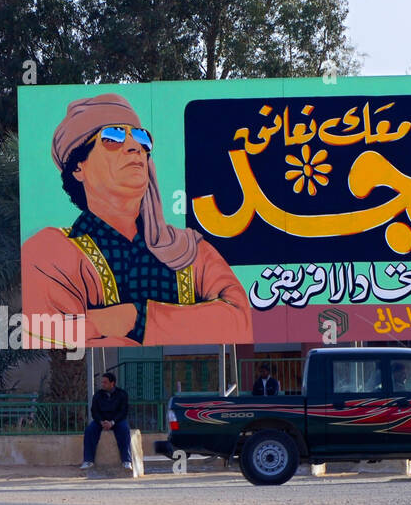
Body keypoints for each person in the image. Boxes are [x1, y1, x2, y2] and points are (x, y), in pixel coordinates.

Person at [21, 92, 253, 347]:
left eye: (141, 138)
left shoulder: (188, 249)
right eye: (113, 136)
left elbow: (239, 321)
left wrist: (133, 318)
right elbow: (51, 335)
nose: (134, 146)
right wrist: (187, 324)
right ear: (78, 167)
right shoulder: (50, 251)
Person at [80, 372, 132, 470]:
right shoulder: (98, 395)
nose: (103, 384)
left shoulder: (122, 394)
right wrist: (101, 422)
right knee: (89, 430)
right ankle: (88, 461)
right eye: (102, 382)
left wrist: (112, 422)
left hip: (117, 421)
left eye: (105, 382)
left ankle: (126, 461)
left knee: (124, 430)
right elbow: (94, 411)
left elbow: (123, 411)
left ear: (112, 383)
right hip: (101, 421)